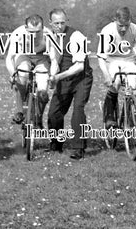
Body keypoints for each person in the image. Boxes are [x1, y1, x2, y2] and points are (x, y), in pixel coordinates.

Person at [47, 8, 93, 159]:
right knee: (54, 112)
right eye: (56, 23)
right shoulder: (51, 37)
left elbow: (79, 66)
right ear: (51, 23)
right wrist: (53, 76)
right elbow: (54, 60)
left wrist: (58, 77)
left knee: (78, 110)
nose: (60, 26)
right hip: (64, 77)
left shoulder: (76, 36)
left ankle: (78, 148)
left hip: (82, 77)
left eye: (63, 22)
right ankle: (56, 144)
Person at [97, 7, 136, 129]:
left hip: (129, 60)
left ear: (130, 20)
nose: (123, 29)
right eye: (120, 26)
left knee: (132, 87)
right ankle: (109, 116)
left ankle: (126, 120)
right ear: (115, 21)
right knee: (116, 82)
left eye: (126, 25)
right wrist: (106, 75)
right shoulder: (108, 31)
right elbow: (101, 57)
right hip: (112, 59)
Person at [7, 15, 56, 129]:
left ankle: (38, 119)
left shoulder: (49, 35)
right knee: (22, 75)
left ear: (43, 28)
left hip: (41, 58)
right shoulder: (18, 34)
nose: (34, 35)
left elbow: (54, 60)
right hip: (23, 55)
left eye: (37, 31)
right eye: (31, 32)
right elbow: (9, 57)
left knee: (43, 91)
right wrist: (12, 74)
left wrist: (52, 76)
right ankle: (21, 108)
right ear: (25, 28)